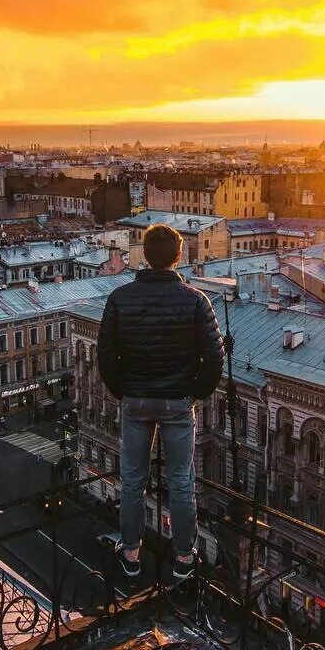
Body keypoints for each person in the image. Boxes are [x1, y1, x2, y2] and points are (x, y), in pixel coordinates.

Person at [97, 223, 224, 584]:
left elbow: (106, 355)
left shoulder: (120, 298)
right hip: (177, 404)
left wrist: (125, 390)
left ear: (144, 256)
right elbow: (214, 358)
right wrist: (193, 393)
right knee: (181, 481)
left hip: (136, 400)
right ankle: (184, 557)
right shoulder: (196, 300)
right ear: (178, 256)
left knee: (133, 479)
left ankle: (132, 553)